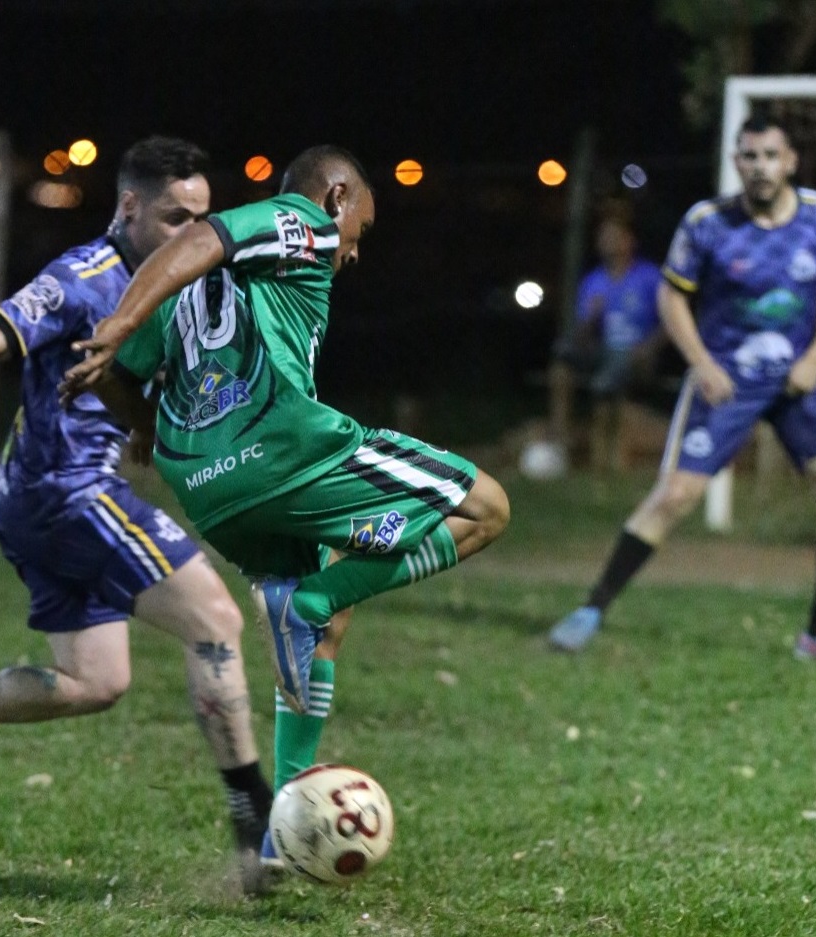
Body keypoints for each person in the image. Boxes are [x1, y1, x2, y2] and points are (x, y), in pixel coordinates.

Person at [60, 144, 511, 864]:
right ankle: (318, 595)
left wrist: (142, 416)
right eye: (359, 229)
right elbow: (210, 236)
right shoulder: (304, 220)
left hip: (207, 490)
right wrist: (117, 324)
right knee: (486, 508)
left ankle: (276, 838)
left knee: (325, 631)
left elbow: (117, 375)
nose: (352, 251)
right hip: (286, 450)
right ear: (335, 199)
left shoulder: (173, 285)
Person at [0, 136, 274, 887]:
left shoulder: (175, 278)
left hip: (36, 500)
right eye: (171, 217)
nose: (190, 233)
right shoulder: (84, 276)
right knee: (215, 620)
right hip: (65, 492)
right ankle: (257, 826)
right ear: (127, 206)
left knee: (96, 679)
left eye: (200, 219)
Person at [549, 114, 816, 661]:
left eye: (769, 156)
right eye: (749, 156)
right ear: (737, 162)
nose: (759, 167)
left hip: (796, 378)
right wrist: (702, 362)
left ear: (790, 162)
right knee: (676, 495)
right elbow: (672, 298)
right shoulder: (708, 222)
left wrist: (815, 358)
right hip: (726, 380)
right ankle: (591, 608)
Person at [547, 208, 663, 471]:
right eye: (603, 237)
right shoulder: (594, 281)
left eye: (614, 236)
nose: (607, 242)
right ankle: (559, 439)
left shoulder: (649, 276)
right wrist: (591, 319)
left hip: (637, 353)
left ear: (629, 240)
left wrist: (650, 348)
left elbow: (670, 321)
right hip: (603, 350)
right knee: (562, 361)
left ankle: (605, 459)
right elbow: (582, 335)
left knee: (607, 380)